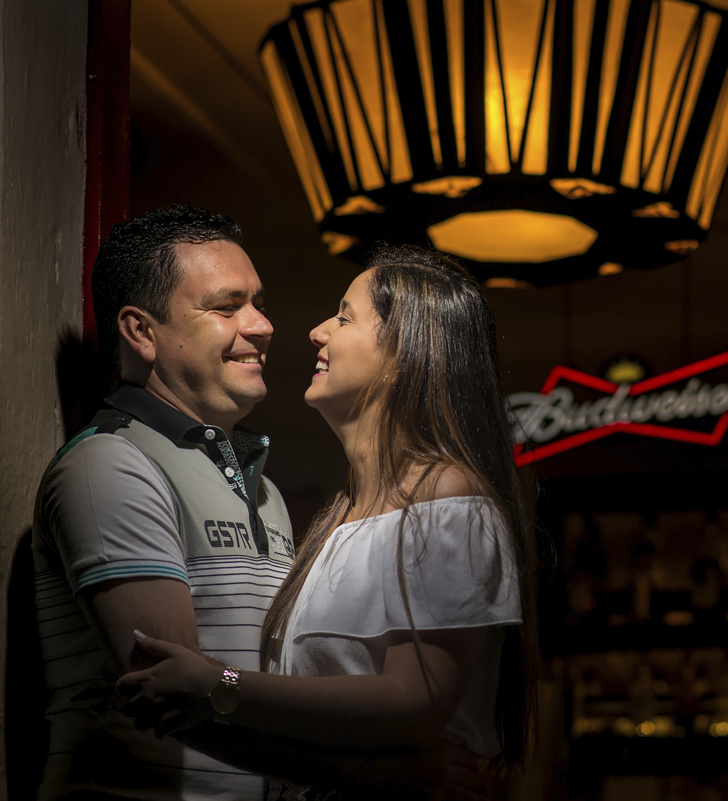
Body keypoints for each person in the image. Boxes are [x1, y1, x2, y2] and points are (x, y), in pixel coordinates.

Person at [116, 245, 539, 800]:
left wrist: (216, 684)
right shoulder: (338, 516)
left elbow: (413, 705)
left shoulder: (448, 498)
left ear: (405, 352)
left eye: (344, 316)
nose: (317, 332)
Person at [31, 205, 294, 799]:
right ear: (142, 332)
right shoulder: (111, 464)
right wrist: (362, 769)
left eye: (256, 301)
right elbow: (181, 695)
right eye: (227, 307)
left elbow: (236, 681)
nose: (261, 324)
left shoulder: (265, 489)